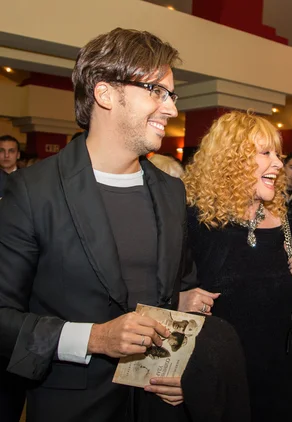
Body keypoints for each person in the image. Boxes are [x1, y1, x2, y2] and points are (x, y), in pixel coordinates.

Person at [0, 28, 189, 422]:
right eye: (156, 90)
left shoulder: (171, 191)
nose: (170, 109)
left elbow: (179, 286)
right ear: (105, 94)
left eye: (171, 95)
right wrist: (94, 338)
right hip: (72, 405)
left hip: (158, 402)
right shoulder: (33, 191)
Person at [182, 111, 292, 422]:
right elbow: (156, 290)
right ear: (232, 159)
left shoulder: (282, 219)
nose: (279, 164)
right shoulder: (195, 220)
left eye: (277, 154)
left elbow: (286, 298)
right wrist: (179, 298)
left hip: (277, 376)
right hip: (218, 378)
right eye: (266, 153)